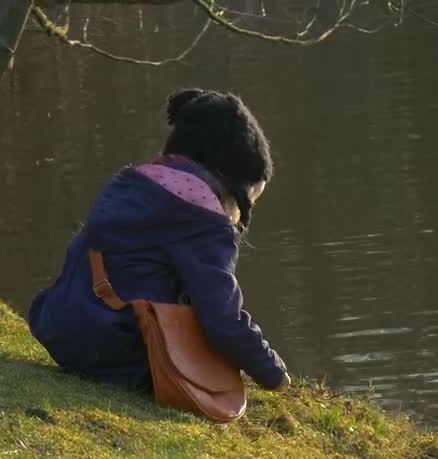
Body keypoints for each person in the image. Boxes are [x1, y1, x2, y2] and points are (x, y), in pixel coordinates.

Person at [27, 88, 290, 393]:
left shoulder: (131, 185)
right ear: (228, 185)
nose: (239, 219)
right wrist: (272, 371)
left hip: (62, 330)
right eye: (245, 203)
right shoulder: (202, 219)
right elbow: (223, 317)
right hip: (119, 352)